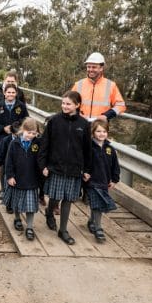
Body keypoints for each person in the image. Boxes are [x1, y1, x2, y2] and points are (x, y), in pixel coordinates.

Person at [37, 90, 92, 245]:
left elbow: (87, 150)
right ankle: (49, 212)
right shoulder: (54, 121)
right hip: (56, 167)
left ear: (77, 105)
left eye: (68, 104)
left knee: (68, 199)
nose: (65, 106)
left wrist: (87, 170)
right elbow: (44, 145)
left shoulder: (84, 124)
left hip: (74, 169)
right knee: (55, 196)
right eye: (63, 103)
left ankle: (63, 230)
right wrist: (43, 165)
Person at [4, 117, 42, 240]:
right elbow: (9, 161)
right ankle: (17, 218)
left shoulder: (37, 144)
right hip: (18, 179)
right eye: (29, 132)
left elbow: (41, 159)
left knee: (30, 205)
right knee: (17, 202)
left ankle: (30, 227)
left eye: (34, 133)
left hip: (32, 179)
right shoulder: (14, 143)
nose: (31, 136)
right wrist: (10, 176)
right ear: (23, 130)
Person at [0, 70, 27, 176]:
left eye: (12, 81)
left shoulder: (20, 92)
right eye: (8, 81)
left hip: (15, 126)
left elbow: (23, 110)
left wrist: (17, 126)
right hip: (0, 122)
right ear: (4, 80)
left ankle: (12, 168)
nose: (10, 83)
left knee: (13, 146)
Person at [0, 84, 29, 198]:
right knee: (3, 163)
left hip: (17, 139)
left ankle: (15, 187)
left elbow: (26, 120)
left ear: (16, 93)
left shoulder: (21, 106)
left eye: (13, 92)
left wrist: (18, 129)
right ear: (4, 93)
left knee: (15, 162)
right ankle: (3, 189)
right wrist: (3, 128)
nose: (11, 94)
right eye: (8, 92)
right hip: (3, 138)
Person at [85, 119, 120, 242]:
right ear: (93, 132)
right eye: (98, 131)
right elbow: (83, 162)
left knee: (96, 204)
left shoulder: (109, 149)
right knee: (98, 204)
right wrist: (84, 173)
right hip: (91, 181)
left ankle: (91, 221)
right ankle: (98, 229)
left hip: (104, 181)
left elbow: (115, 166)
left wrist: (115, 179)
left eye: (104, 131)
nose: (101, 134)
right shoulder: (89, 147)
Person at [72, 52, 126, 122]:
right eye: (88, 67)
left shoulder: (111, 85)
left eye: (94, 67)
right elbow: (70, 103)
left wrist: (106, 115)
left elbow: (121, 105)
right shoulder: (78, 84)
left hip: (100, 127)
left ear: (101, 68)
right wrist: (78, 114)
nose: (90, 69)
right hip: (80, 124)